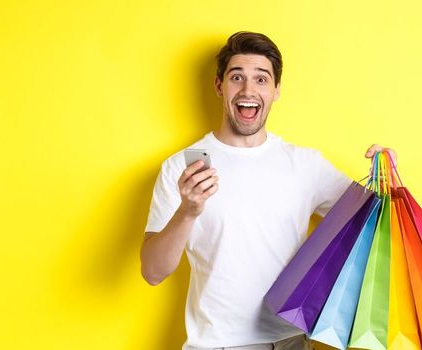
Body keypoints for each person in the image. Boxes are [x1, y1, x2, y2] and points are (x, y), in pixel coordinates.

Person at [140, 31, 396, 350]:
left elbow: (374, 223)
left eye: (261, 80)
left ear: (276, 90)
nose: (248, 90)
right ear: (219, 86)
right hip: (218, 345)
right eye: (237, 77)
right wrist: (187, 212)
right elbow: (153, 272)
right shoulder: (181, 168)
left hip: (293, 341)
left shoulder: (306, 165)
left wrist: (384, 175)